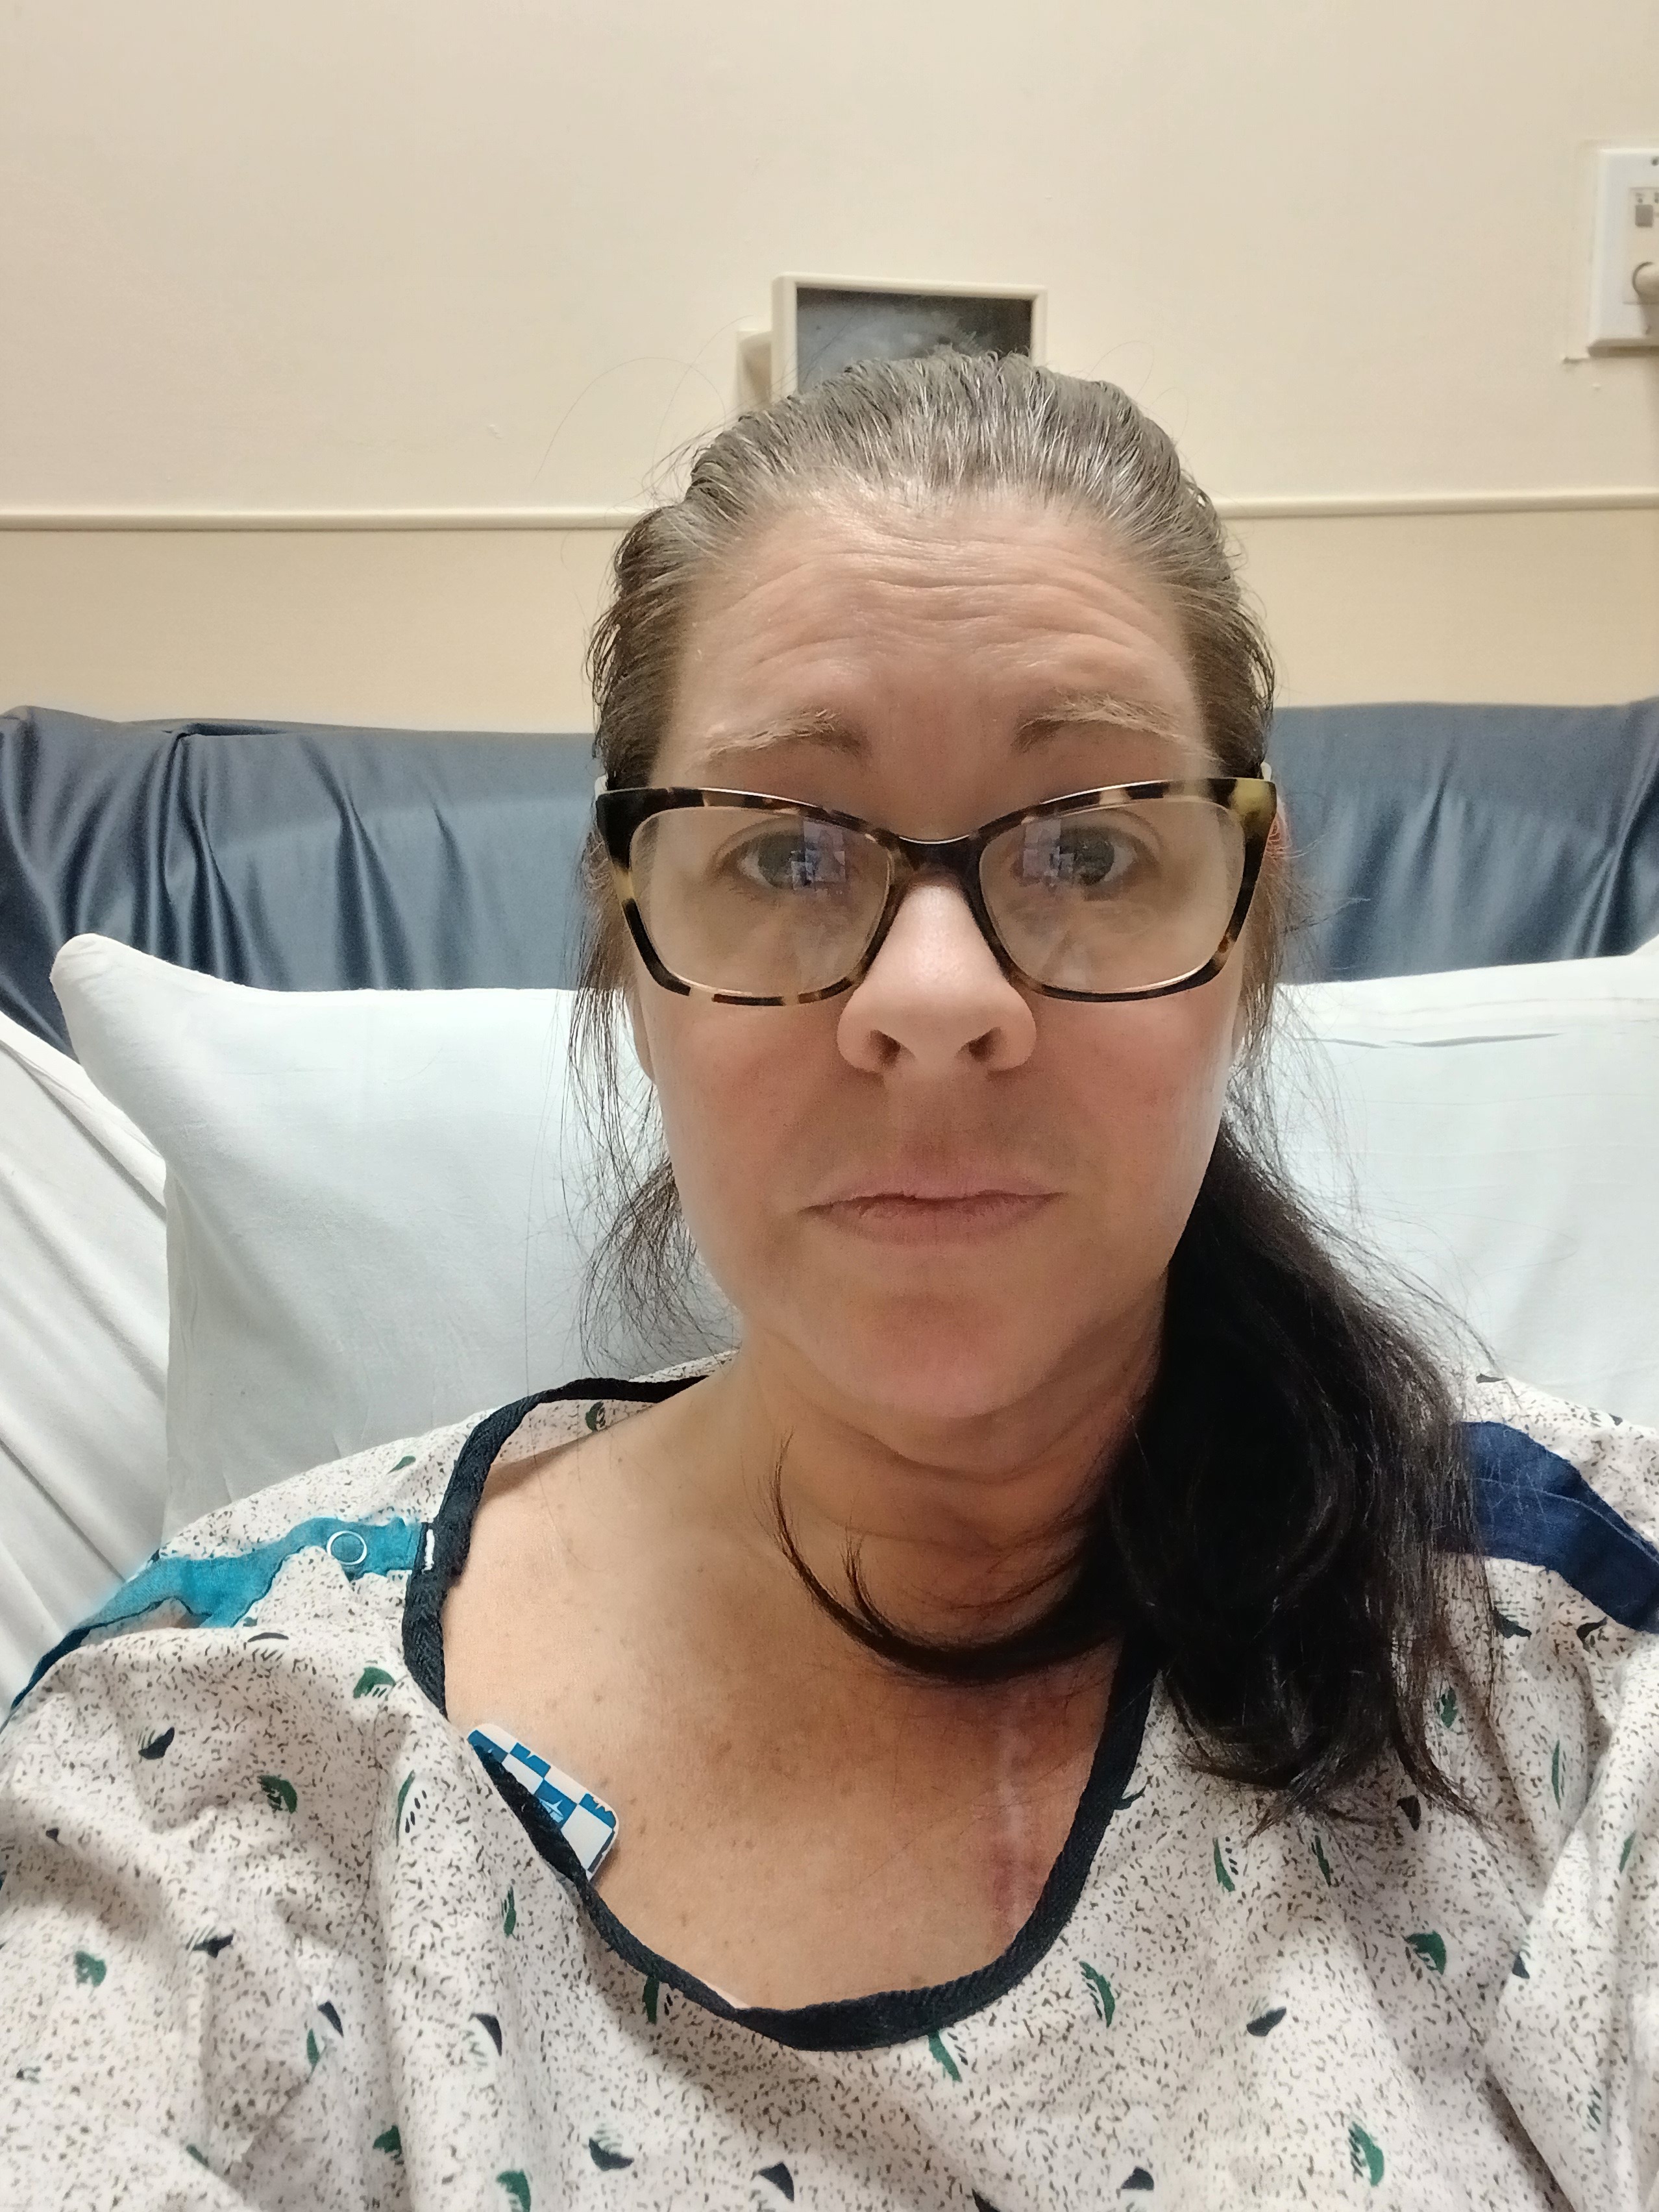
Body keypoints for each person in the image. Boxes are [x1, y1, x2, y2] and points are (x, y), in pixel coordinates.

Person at [2, 352, 1656, 2211]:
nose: (934, 998)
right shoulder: (228, 1771)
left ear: (1248, 933)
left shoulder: (1569, 1663)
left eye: (1089, 845)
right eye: (786, 852)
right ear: (631, 949)